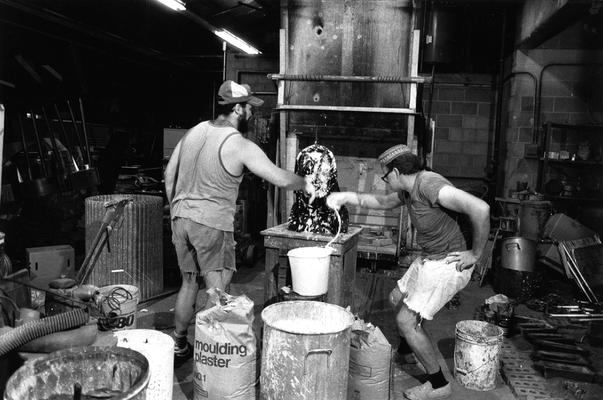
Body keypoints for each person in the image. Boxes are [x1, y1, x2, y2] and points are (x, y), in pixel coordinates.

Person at [164, 80, 315, 366]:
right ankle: (213, 359)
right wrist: (309, 183)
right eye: (248, 107)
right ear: (236, 109)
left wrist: (176, 209)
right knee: (217, 292)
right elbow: (280, 179)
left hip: (180, 218)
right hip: (210, 224)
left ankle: (180, 343)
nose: (251, 113)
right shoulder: (239, 144)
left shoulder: (194, 131)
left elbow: (169, 175)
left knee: (188, 283)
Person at [326, 144, 490, 400]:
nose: (384, 181)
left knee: (405, 321)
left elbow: (481, 209)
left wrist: (476, 254)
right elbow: (380, 202)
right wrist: (346, 197)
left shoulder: (428, 185)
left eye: (384, 176)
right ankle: (408, 352)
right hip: (429, 258)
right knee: (396, 298)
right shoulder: (408, 189)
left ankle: (438, 384)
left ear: (395, 172)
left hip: (449, 263)